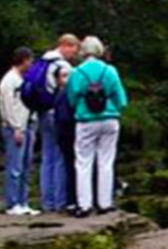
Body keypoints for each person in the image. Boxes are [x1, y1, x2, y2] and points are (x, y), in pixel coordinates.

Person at [67, 36, 128, 217]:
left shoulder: (77, 72)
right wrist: (114, 107)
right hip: (109, 119)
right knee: (106, 161)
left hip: (86, 120)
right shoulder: (110, 71)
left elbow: (71, 98)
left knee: (83, 163)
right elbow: (121, 99)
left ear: (83, 52)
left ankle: (84, 204)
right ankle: (105, 202)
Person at [38, 34, 80, 213]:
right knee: (61, 158)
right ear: (65, 46)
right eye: (74, 49)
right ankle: (60, 201)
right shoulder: (63, 66)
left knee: (47, 157)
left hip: (43, 112)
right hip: (58, 115)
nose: (74, 54)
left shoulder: (42, 62)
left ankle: (46, 201)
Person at [0, 46, 41, 216]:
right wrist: (16, 127)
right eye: (30, 60)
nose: (31, 64)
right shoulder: (9, 80)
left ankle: (23, 201)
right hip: (15, 127)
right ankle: (12, 203)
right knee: (15, 166)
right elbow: (7, 106)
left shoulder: (24, 79)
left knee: (26, 165)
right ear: (23, 60)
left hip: (29, 124)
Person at [53, 70, 78, 211]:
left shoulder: (61, 94)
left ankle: (69, 200)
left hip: (64, 134)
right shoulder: (64, 94)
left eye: (69, 75)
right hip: (68, 134)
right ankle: (71, 200)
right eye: (64, 76)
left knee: (71, 167)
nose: (67, 79)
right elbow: (63, 118)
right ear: (57, 80)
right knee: (71, 167)